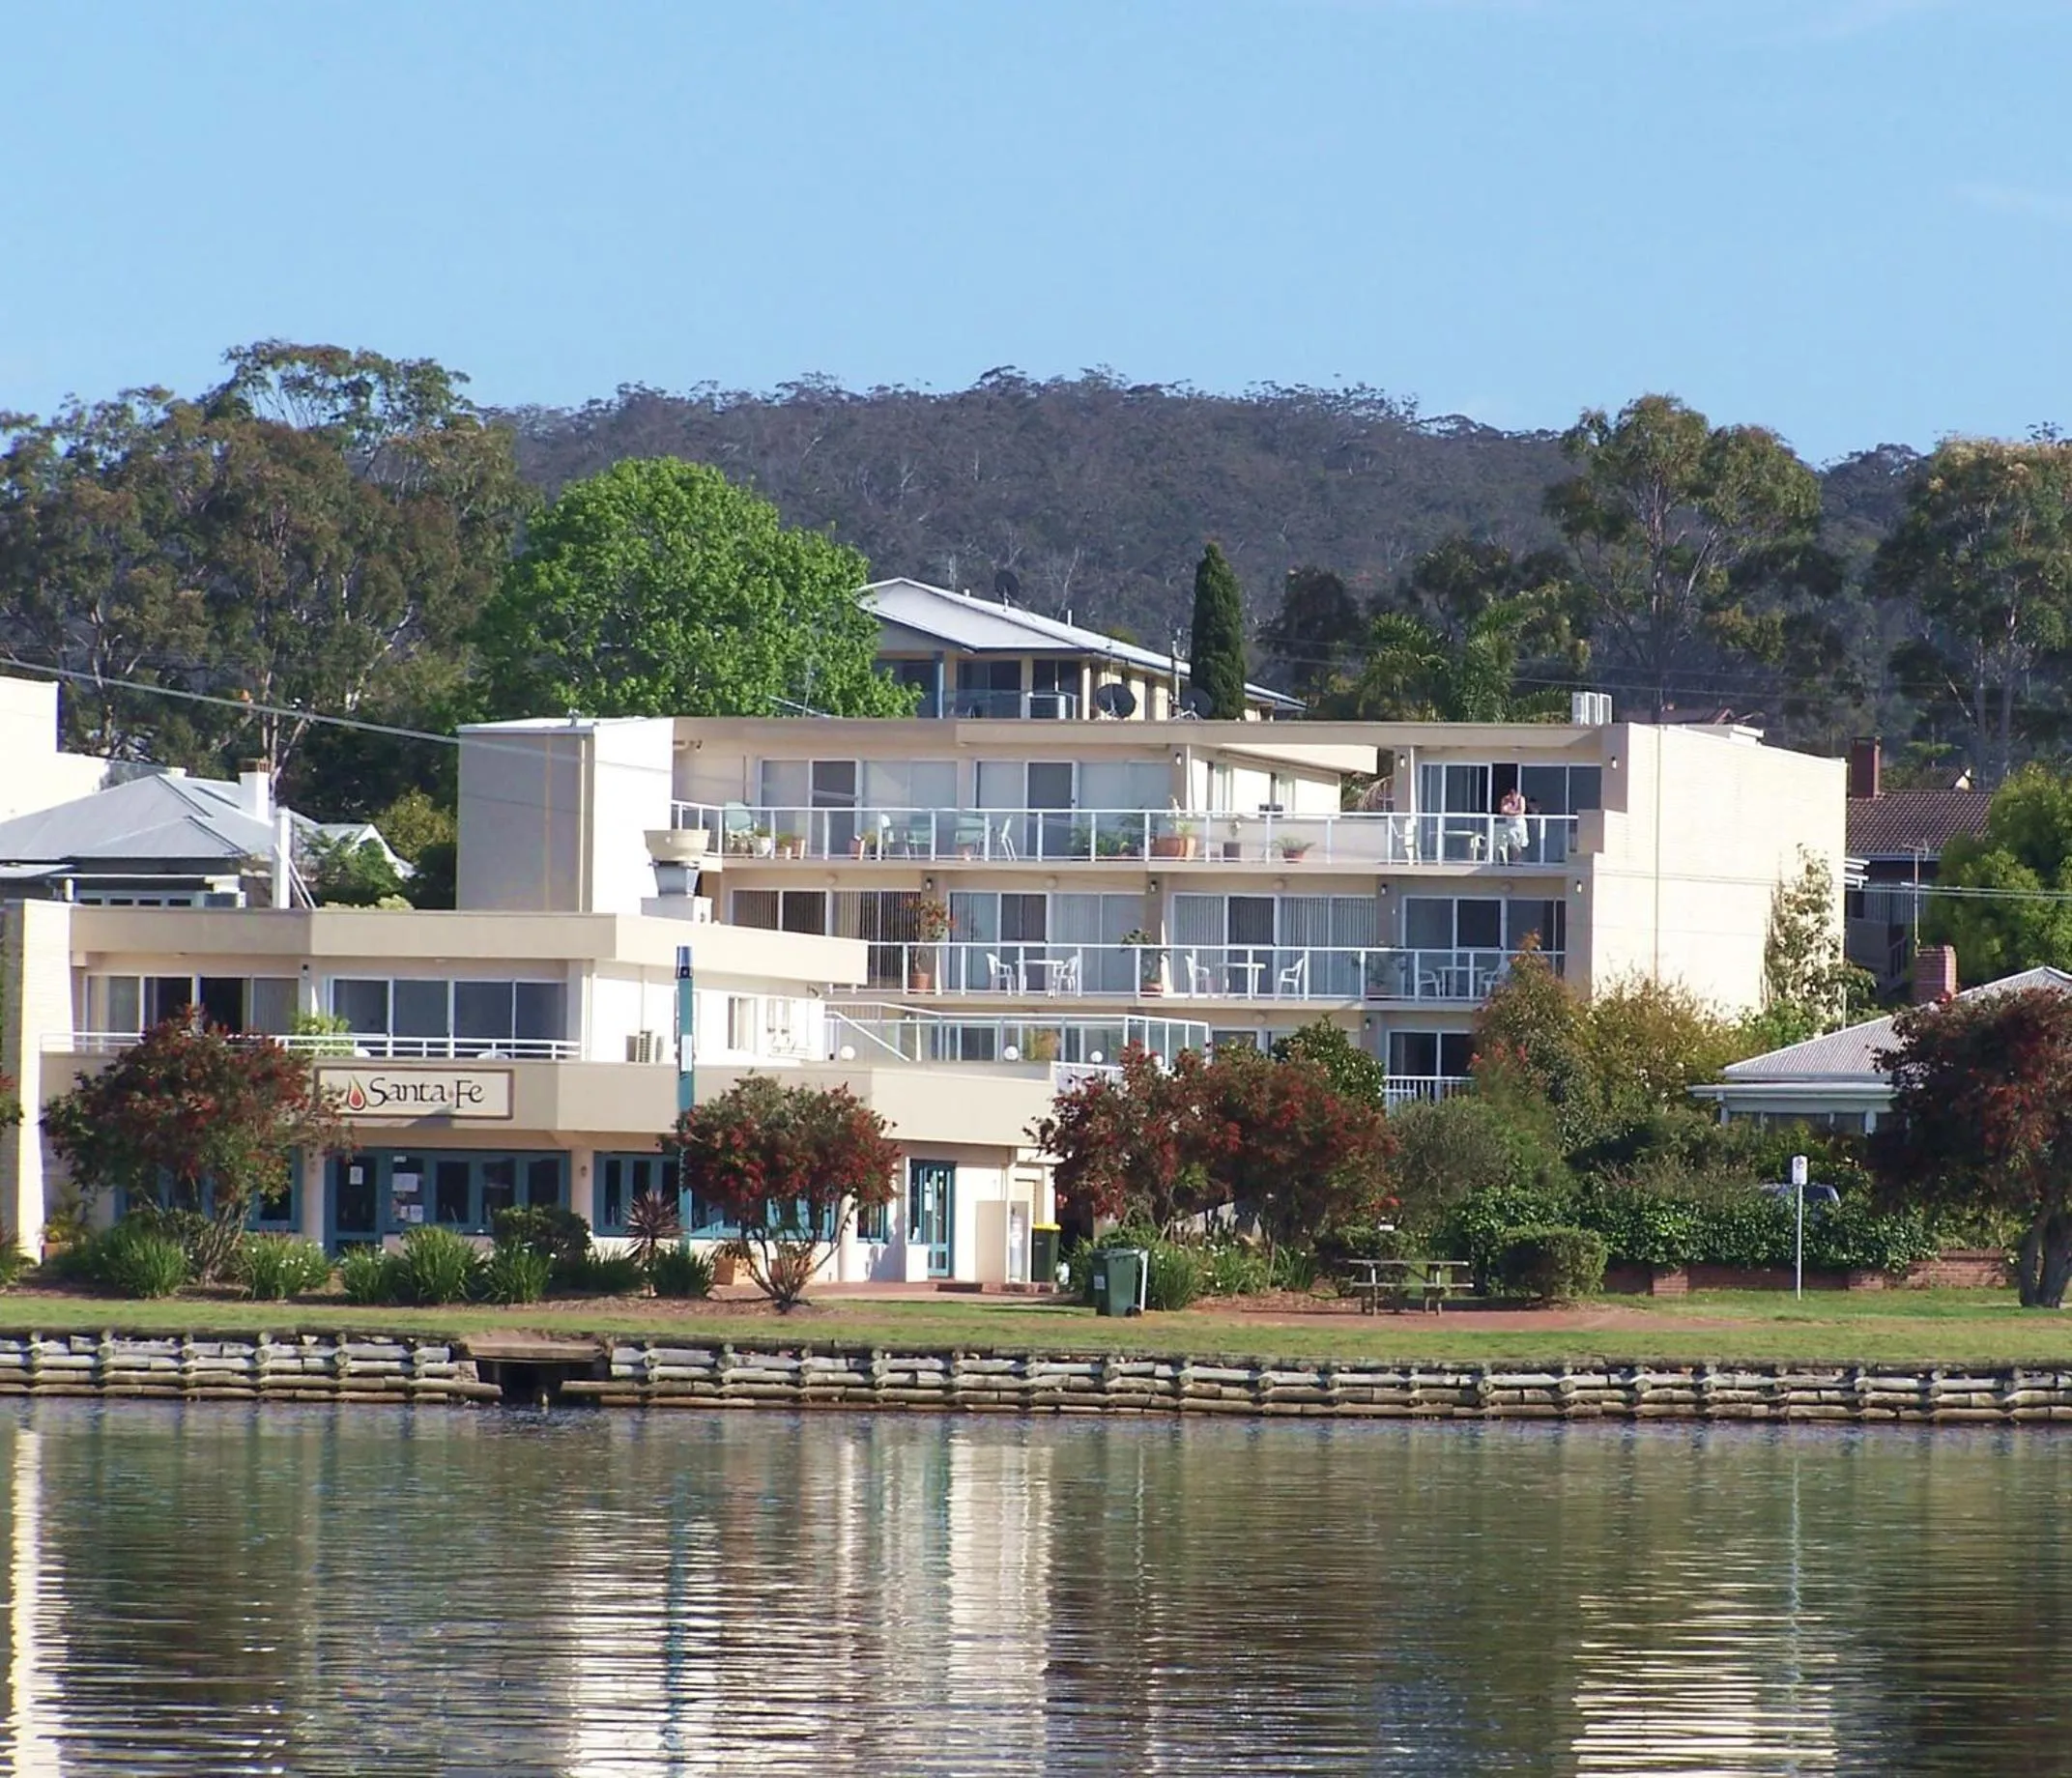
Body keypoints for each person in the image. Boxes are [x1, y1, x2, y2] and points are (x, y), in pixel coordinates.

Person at [1498, 787, 1529, 862]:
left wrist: (1509, 812)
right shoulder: (1505, 799)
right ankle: (1514, 861)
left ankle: (1519, 860)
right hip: (1510, 825)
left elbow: (1521, 811)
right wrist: (1512, 812)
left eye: (1514, 794)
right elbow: (1503, 811)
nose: (1512, 797)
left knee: (1521, 843)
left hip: (1520, 824)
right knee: (1512, 842)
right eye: (1510, 794)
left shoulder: (1521, 799)